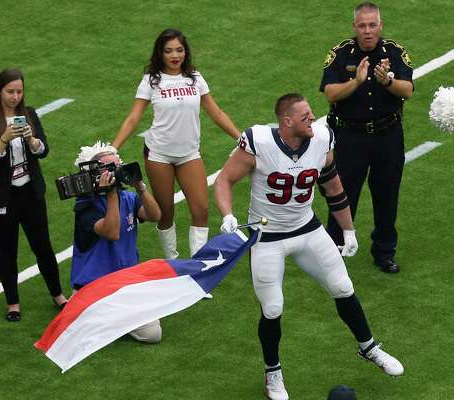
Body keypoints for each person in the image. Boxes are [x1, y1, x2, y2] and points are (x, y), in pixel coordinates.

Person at [214, 94, 403, 400]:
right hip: (268, 236)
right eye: (305, 117)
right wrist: (228, 215)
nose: (312, 119)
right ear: (286, 122)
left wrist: (348, 229)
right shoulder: (258, 141)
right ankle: (272, 373)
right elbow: (224, 181)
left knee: (343, 287)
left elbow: (331, 183)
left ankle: (368, 347)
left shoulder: (321, 138)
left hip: (307, 229)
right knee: (272, 307)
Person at [112, 28, 240, 261]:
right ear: (160, 53)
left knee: (201, 210)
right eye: (169, 50)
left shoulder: (195, 78)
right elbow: (133, 118)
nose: (175, 55)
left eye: (179, 50)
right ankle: (172, 264)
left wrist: (240, 137)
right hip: (159, 154)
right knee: (165, 212)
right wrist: (113, 148)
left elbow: (216, 112)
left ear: (185, 52)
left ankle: (198, 267)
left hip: (189, 153)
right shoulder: (151, 81)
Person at [320, 2, 413, 274]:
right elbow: (330, 93)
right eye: (362, 26)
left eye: (373, 25)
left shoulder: (394, 52)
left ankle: (384, 251)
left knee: (387, 195)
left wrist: (387, 82)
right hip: (350, 137)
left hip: (388, 136)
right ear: (354, 27)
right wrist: (356, 82)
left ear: (381, 26)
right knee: (341, 194)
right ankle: (334, 250)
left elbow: (407, 90)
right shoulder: (340, 54)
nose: (368, 31)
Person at [0, 68, 68, 322]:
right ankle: (13, 303)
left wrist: (32, 140)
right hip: (1, 197)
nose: (16, 96)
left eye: (19, 91)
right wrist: (4, 139)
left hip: (30, 193)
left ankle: (58, 295)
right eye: (10, 92)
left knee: (43, 246)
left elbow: (43, 150)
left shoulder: (30, 115)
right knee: (8, 249)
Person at [70, 142, 163, 342]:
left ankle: (111, 319)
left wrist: (140, 188)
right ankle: (89, 312)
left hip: (125, 281)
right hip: (94, 284)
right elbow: (112, 232)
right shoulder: (85, 207)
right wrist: (111, 194)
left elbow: (155, 215)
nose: (117, 172)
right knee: (83, 333)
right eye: (111, 169)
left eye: (118, 166)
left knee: (153, 334)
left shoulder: (128, 197)